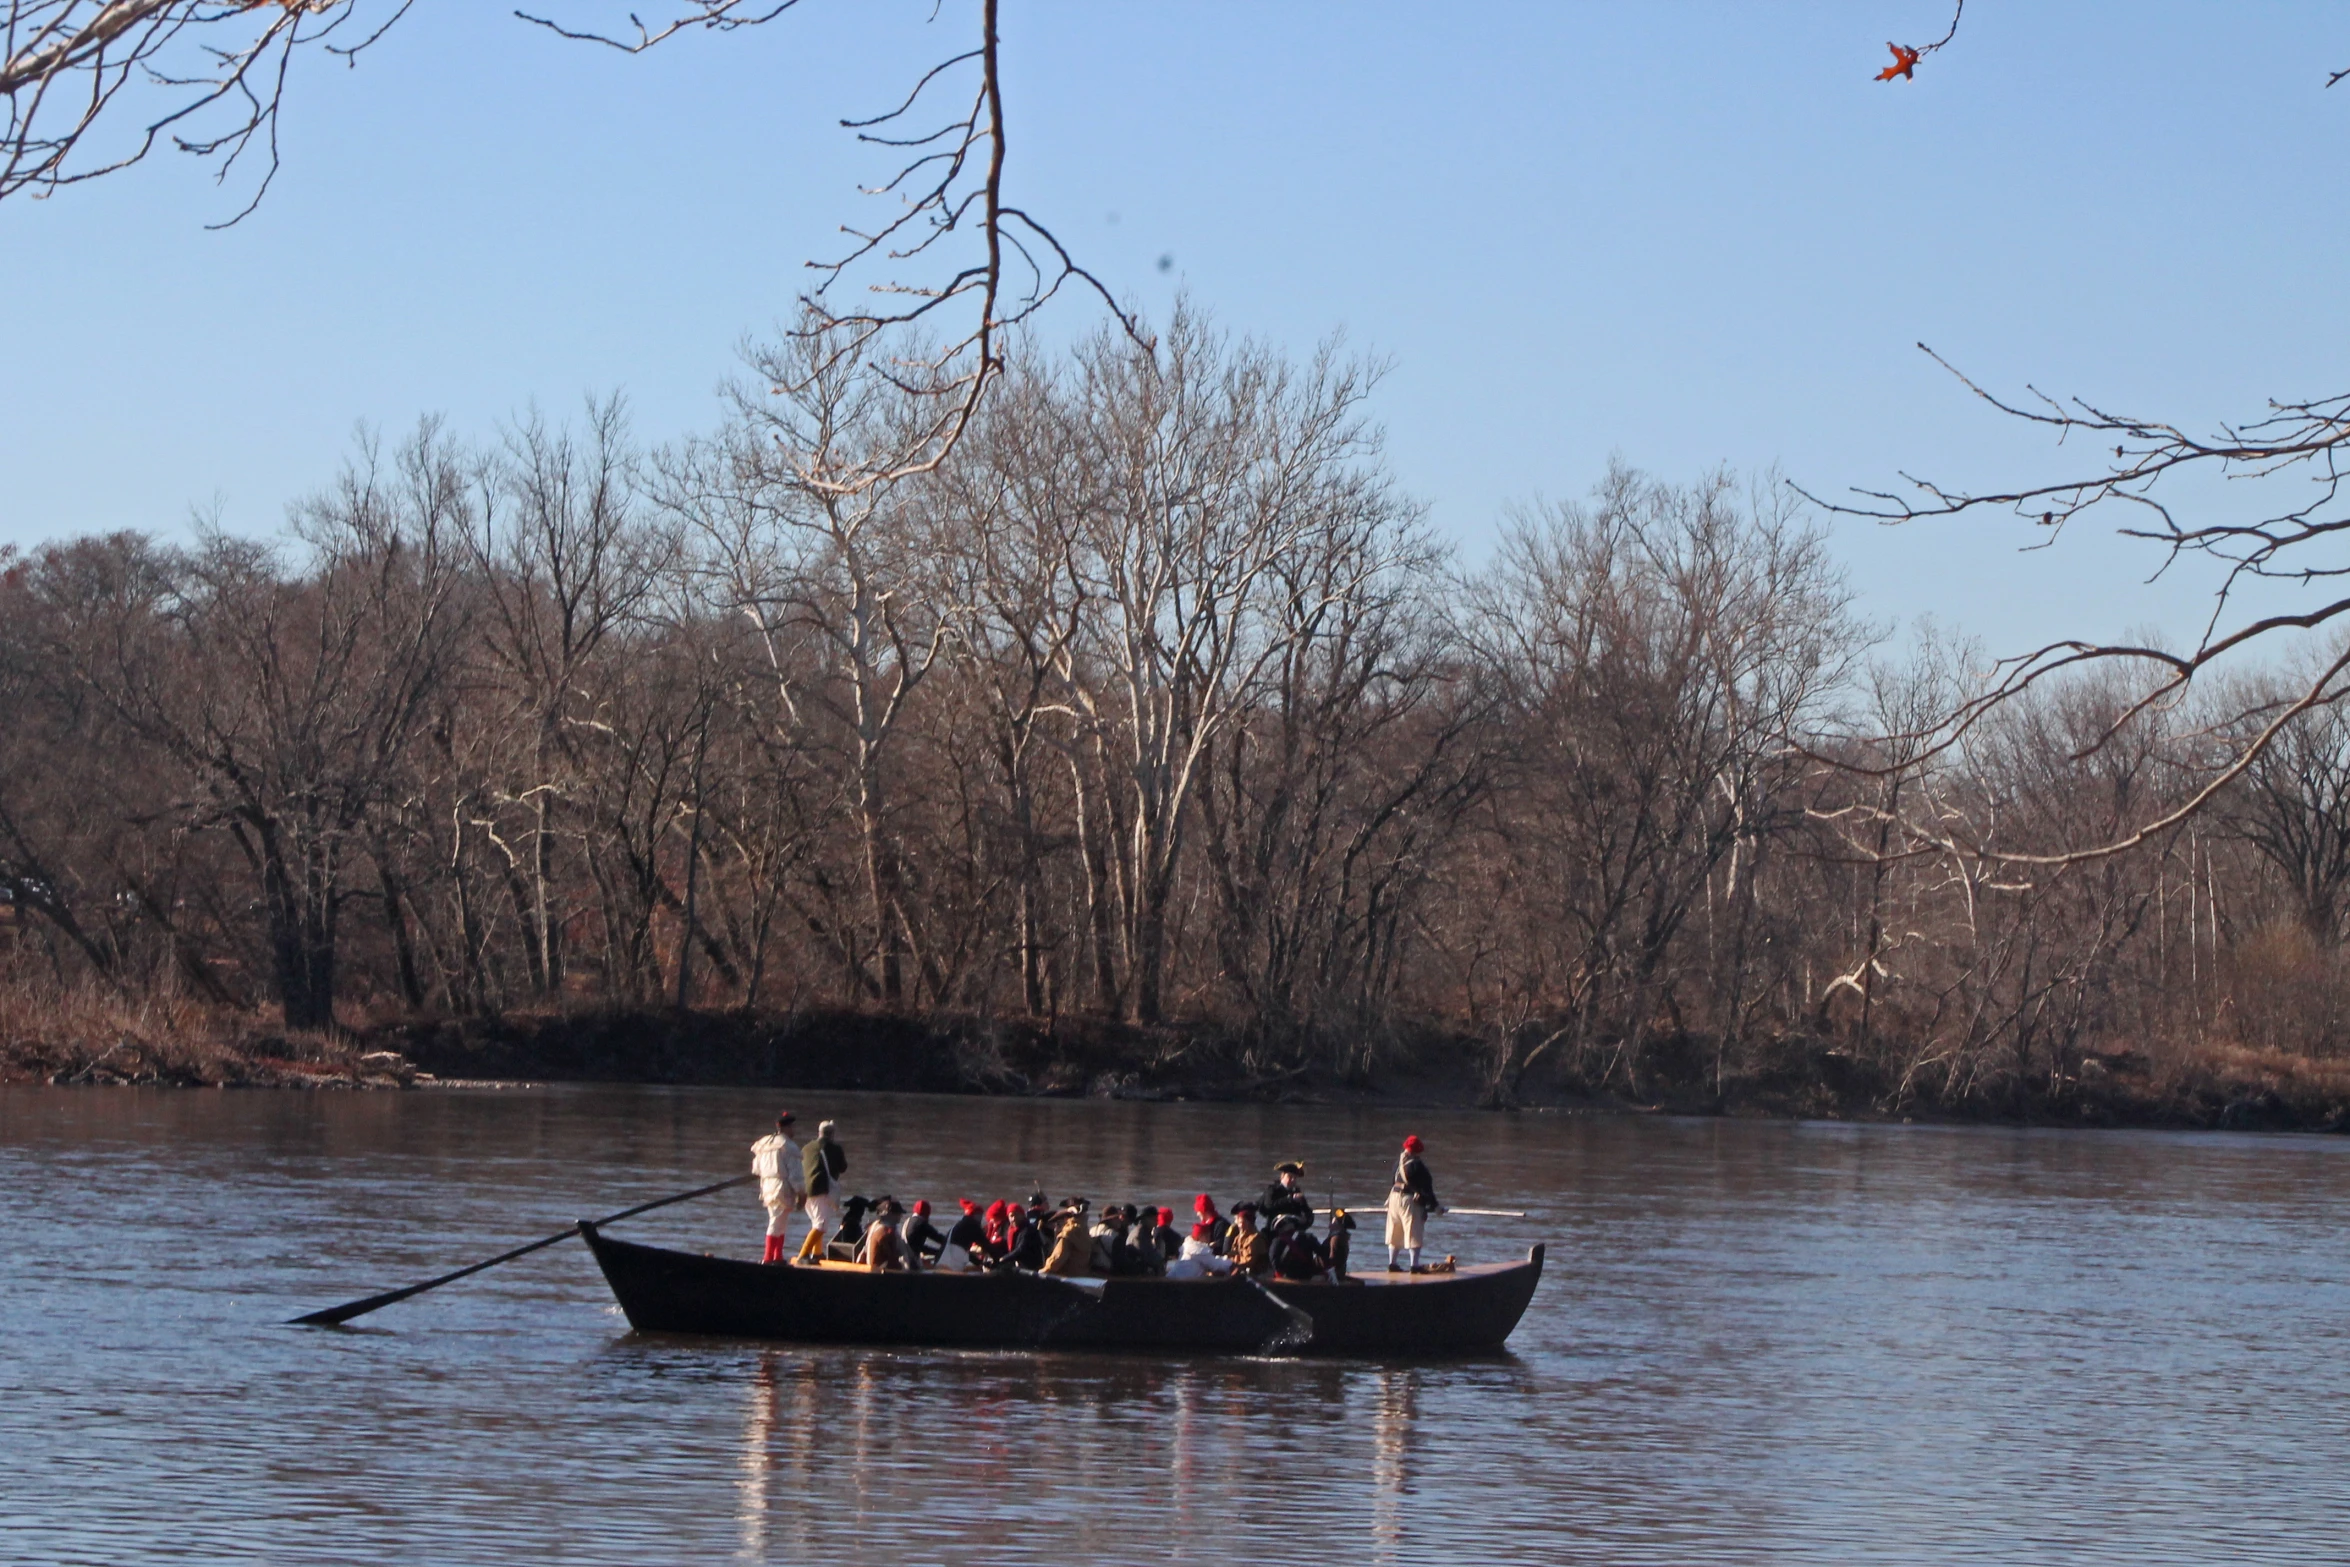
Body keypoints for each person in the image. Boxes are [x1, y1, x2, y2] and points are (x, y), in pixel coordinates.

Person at [750, 1111, 804, 1265]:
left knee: (780, 1221)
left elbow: (756, 1170)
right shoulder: (788, 1146)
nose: (794, 1130)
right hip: (782, 1187)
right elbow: (795, 1174)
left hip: (767, 1186)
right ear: (787, 1128)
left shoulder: (764, 1143)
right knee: (776, 1221)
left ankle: (778, 1257)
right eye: (792, 1127)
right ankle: (768, 1258)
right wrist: (801, 1192)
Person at [1385, 1132, 1441, 1272]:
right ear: (1418, 1150)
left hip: (1394, 1199)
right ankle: (1414, 1266)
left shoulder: (1397, 1164)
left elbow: (1393, 1182)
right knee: (1413, 1232)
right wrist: (1435, 1206)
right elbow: (1427, 1188)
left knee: (1394, 1232)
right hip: (1409, 1201)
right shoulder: (1418, 1165)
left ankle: (1392, 1264)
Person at [795, 1119, 848, 1262]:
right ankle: (803, 1255)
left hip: (805, 1191)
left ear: (819, 1132)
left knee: (816, 1222)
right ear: (832, 1134)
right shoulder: (835, 1148)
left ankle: (817, 1253)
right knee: (821, 1225)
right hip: (821, 1189)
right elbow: (843, 1168)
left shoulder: (806, 1148)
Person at [1269, 1214, 1328, 1281]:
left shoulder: (1276, 1242)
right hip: (1306, 1278)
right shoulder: (1308, 1237)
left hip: (1284, 1279)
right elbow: (1323, 1254)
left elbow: (1275, 1264)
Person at [859, 1198, 913, 1270]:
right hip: (880, 1271)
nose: (900, 1216)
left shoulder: (873, 1226)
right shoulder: (887, 1232)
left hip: (870, 1267)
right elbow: (893, 1259)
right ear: (890, 1215)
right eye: (898, 1213)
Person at [1260, 1161, 1315, 1228]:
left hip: (1292, 1229)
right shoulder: (1273, 1190)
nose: (1292, 1180)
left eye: (1295, 1178)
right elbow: (1268, 1206)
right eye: (1290, 1177)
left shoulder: (1297, 1193)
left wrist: (1307, 1216)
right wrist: (1289, 1199)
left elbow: (1306, 1212)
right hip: (1272, 1229)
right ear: (1282, 1176)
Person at [1041, 1206, 1093, 1276]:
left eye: (1058, 1224)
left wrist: (1043, 1271)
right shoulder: (1084, 1231)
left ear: (1066, 1219)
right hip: (1081, 1274)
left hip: (1066, 1275)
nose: (1055, 1228)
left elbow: (1057, 1259)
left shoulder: (1067, 1234)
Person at [1226, 1203, 1269, 1275]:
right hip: (1239, 1270)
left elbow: (1249, 1261)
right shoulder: (1238, 1237)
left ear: (1247, 1222)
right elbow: (1233, 1254)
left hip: (1255, 1274)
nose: (1237, 1223)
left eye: (1239, 1220)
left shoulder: (1255, 1238)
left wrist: (1233, 1265)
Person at [902, 1199, 947, 1266]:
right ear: (927, 1214)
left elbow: (917, 1246)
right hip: (912, 1263)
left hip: (903, 1259)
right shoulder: (921, 1224)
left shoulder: (908, 1221)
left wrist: (938, 1252)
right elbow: (939, 1238)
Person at [1001, 1204, 1045, 1271]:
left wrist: (1003, 1259)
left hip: (1031, 1267)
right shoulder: (1010, 1230)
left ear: (1022, 1215)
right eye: (1011, 1216)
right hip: (1018, 1264)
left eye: (1017, 1215)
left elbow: (1021, 1249)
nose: (1014, 1218)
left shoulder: (1028, 1229)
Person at [1326, 1207, 1359, 1282]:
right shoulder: (1342, 1237)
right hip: (1339, 1271)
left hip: (1335, 1273)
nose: (1330, 1223)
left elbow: (1332, 1259)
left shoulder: (1336, 1238)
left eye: (1333, 1221)